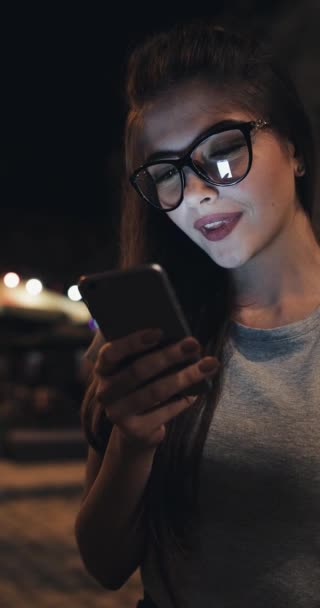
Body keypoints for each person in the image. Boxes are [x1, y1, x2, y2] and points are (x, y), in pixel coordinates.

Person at [74, 18, 320, 608]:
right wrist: (132, 445)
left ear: (293, 148)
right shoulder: (154, 338)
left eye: (222, 151)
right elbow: (106, 564)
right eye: (167, 173)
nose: (197, 192)